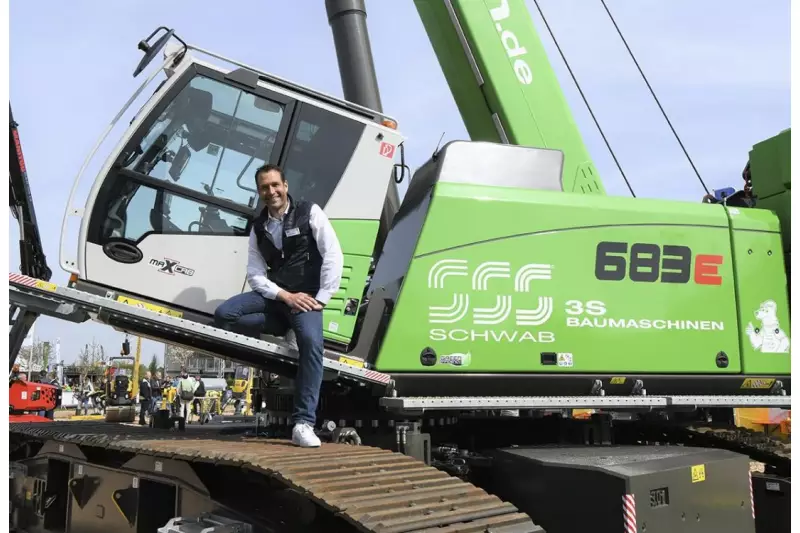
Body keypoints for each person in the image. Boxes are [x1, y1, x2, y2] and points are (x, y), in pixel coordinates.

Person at [214, 164, 343, 448]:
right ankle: (283, 328)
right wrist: (284, 296)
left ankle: (303, 423)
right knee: (224, 315)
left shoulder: (309, 212)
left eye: (275, 185)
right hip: (278, 297)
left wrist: (321, 299)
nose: (271, 191)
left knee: (311, 344)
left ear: (285, 186)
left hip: (307, 298)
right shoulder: (259, 226)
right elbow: (255, 274)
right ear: (259, 192)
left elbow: (333, 254)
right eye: (264, 187)